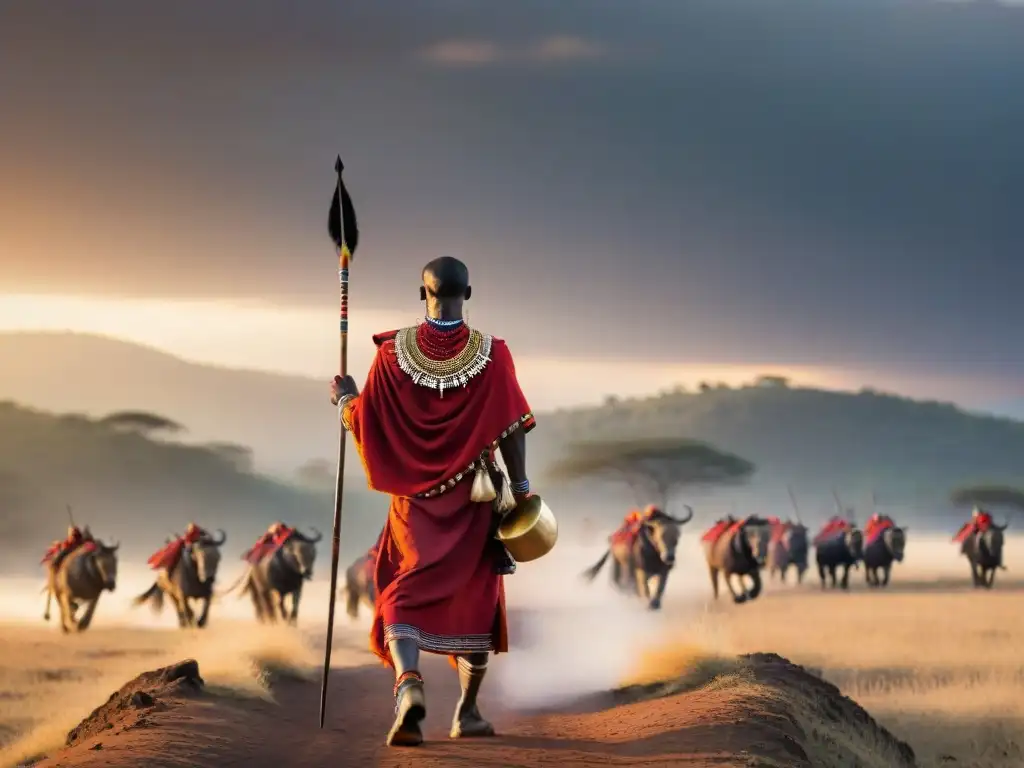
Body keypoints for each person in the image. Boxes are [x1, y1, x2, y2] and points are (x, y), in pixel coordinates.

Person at [330, 256, 535, 747]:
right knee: (478, 599)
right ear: (469, 293)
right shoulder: (495, 354)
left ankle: (408, 686)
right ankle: (467, 711)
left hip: (413, 505)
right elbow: (511, 429)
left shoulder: (390, 354)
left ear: (420, 293)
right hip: (474, 501)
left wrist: (345, 400)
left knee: (403, 587)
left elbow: (368, 426)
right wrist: (522, 490)